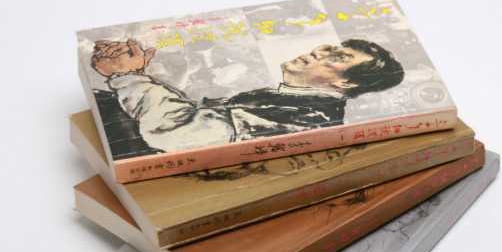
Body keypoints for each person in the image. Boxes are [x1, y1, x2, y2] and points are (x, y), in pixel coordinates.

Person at [90, 38, 404, 153]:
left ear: (346, 83)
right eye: (328, 47)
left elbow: (177, 132)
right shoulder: (279, 97)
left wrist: (127, 76)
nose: (318, 52)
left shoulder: (311, 118)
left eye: (338, 56)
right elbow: (195, 111)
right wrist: (134, 73)